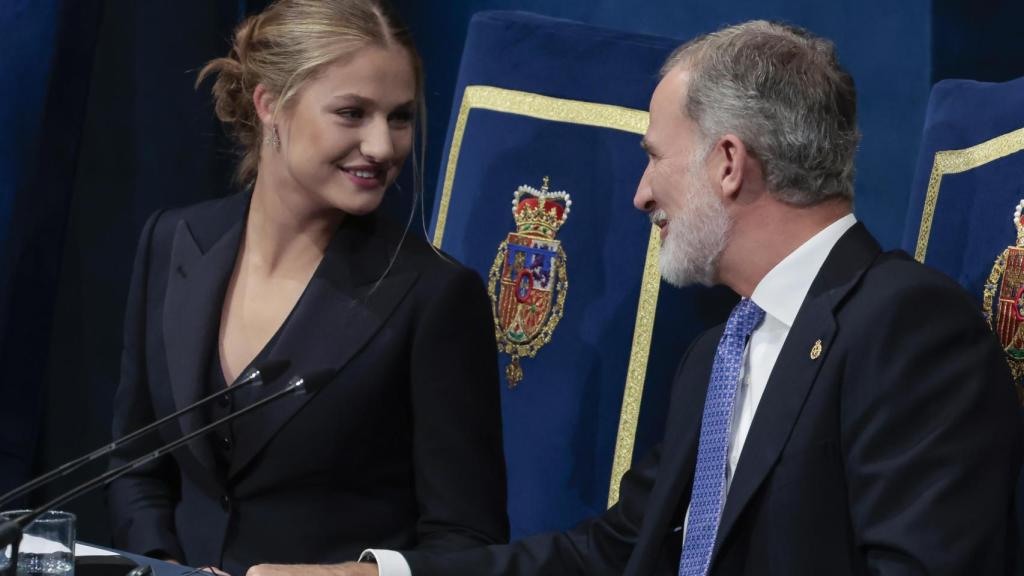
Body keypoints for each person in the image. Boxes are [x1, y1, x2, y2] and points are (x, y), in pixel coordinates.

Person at [258, 19, 1022, 576]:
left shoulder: (906, 326)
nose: (640, 193)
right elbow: (614, 551)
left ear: (728, 163)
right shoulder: (717, 355)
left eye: (656, 158)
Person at [106, 1, 509, 574]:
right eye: (352, 112)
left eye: (399, 117)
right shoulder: (172, 240)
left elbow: (467, 541)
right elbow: (136, 465)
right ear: (269, 103)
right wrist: (163, 564)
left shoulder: (435, 296)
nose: (382, 146)